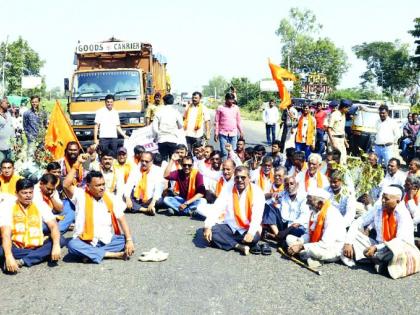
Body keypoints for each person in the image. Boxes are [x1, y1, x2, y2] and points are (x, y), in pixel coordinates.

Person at [64, 155, 135, 264]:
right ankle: (111, 254)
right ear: (88, 186)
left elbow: (122, 219)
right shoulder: (80, 195)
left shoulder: (110, 197)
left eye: (103, 184)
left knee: (128, 239)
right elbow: (66, 185)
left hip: (106, 240)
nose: (102, 188)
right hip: (85, 241)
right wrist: (76, 164)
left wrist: (129, 241)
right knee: (72, 245)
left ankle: (90, 254)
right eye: (98, 185)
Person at [341, 186, 414, 272]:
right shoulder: (379, 208)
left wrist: (376, 248)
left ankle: (374, 258)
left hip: (396, 248)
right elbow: (358, 222)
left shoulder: (403, 215)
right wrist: (348, 243)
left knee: (395, 251)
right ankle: (377, 260)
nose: (383, 201)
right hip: (379, 245)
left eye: (386, 199)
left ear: (397, 201)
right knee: (350, 235)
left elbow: (400, 240)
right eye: (382, 197)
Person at [0, 179, 63, 273]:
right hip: (16, 245)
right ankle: (41, 255)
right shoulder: (7, 206)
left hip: (37, 243)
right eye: (24, 193)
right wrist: (9, 255)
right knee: (2, 250)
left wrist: (56, 245)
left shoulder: (39, 204)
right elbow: (5, 233)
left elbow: (53, 226)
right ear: (16, 193)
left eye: (31, 192)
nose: (28, 195)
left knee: (60, 240)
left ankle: (22, 261)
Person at [203, 166, 265, 255]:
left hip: (246, 229)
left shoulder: (257, 192)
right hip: (230, 226)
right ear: (234, 178)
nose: (239, 180)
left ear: (249, 178)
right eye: (237, 177)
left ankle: (226, 242)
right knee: (210, 231)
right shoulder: (228, 187)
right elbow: (217, 207)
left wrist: (251, 233)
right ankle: (238, 246)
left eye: (243, 177)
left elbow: (257, 216)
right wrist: (208, 226)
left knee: (254, 238)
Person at [287, 187, 346, 268]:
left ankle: (306, 255)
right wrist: (299, 242)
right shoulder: (314, 211)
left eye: (309, 200)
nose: (307, 203)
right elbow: (308, 234)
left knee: (312, 251)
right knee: (289, 238)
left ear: (320, 203)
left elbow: (325, 244)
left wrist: (301, 247)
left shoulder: (332, 214)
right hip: (315, 244)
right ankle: (309, 257)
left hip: (331, 249)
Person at [262, 176, 310, 244]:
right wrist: (273, 198)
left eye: (291, 183)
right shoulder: (283, 193)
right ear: (284, 186)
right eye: (287, 184)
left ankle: (275, 236)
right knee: (268, 207)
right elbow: (269, 201)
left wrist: (286, 231)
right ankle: (278, 236)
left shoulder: (304, 197)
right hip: (283, 224)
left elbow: (303, 218)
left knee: (296, 235)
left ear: (297, 184)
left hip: (295, 227)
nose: (289, 186)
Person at [152, 93, 183, 161]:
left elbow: (154, 128)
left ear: (164, 101)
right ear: (172, 101)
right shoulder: (176, 112)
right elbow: (181, 125)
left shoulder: (159, 112)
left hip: (162, 140)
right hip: (173, 139)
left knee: (163, 161)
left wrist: (155, 137)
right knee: (174, 161)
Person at [214, 93, 244, 157]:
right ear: (226, 99)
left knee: (233, 153)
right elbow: (217, 121)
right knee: (224, 152)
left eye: (232, 99)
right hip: (223, 134)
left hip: (233, 134)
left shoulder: (236, 108)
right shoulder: (220, 108)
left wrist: (241, 131)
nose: (231, 101)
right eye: (229, 99)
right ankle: (225, 166)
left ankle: (232, 166)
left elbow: (238, 121)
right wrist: (216, 133)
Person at [326, 100, 351, 164]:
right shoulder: (334, 115)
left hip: (341, 140)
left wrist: (345, 141)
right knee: (334, 161)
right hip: (334, 139)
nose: (349, 110)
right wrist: (333, 142)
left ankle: (341, 173)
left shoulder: (343, 115)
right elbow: (329, 129)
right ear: (344, 107)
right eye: (348, 108)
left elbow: (342, 130)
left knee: (343, 160)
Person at [0, 97, 15, 161]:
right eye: (6, 103)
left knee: (9, 165)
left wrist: (14, 141)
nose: (8, 104)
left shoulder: (8, 114)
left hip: (9, 146)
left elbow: (11, 127)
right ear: (1, 104)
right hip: (0, 148)